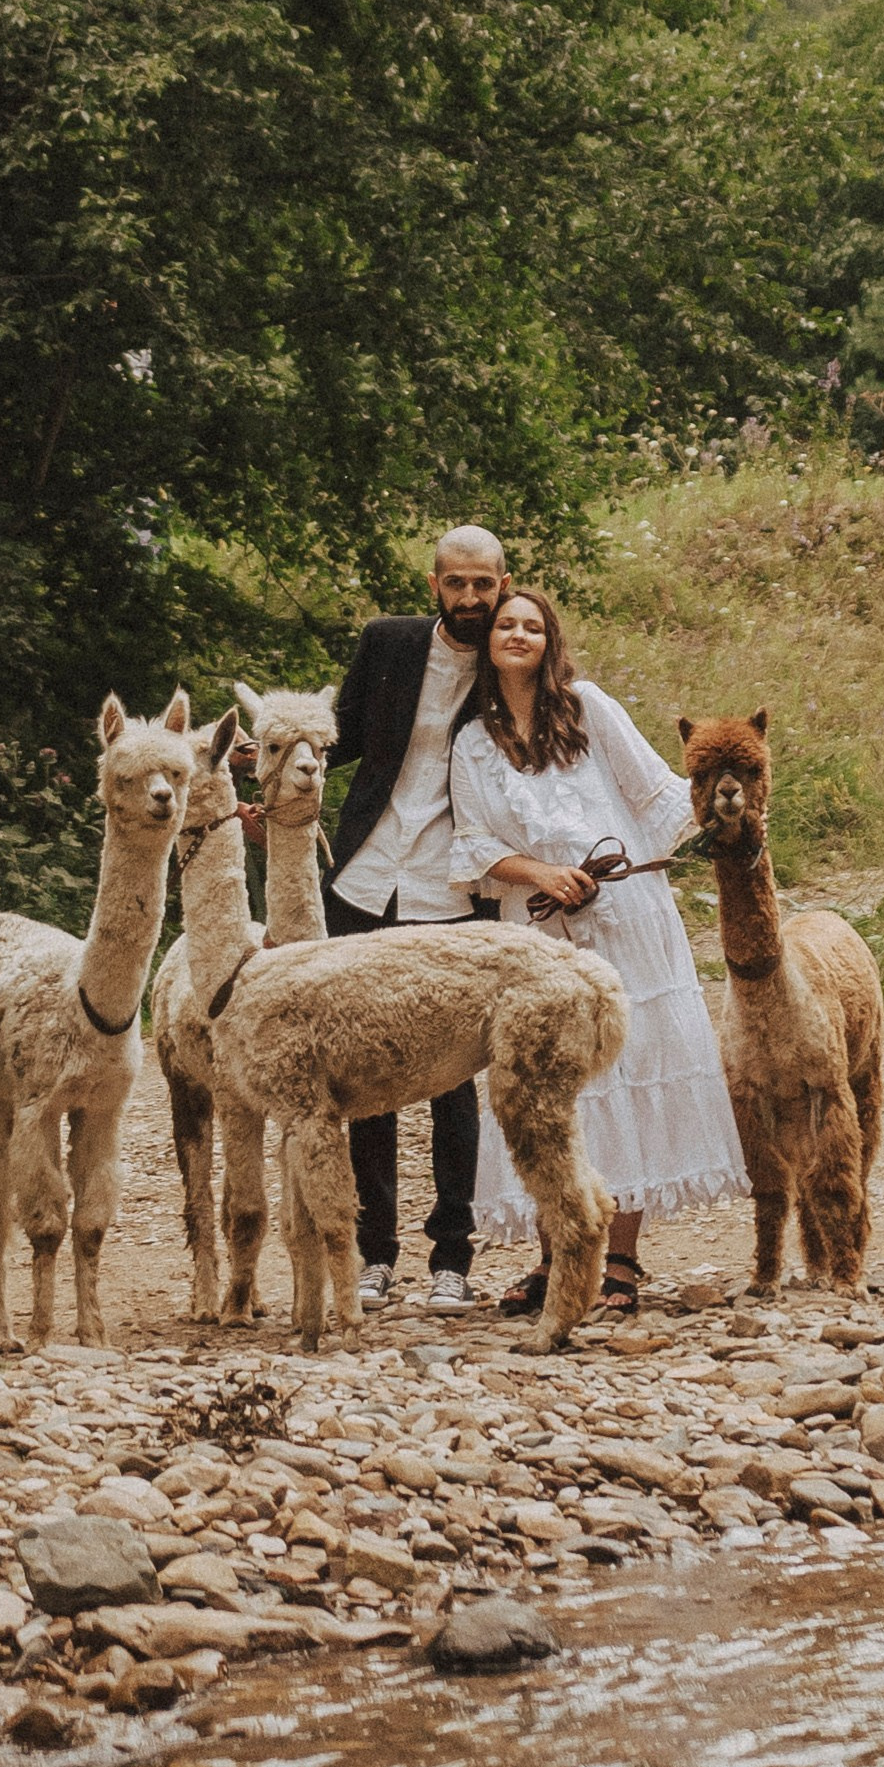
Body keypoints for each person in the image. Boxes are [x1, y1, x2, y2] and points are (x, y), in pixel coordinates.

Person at [449, 582, 748, 1319]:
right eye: (506, 626)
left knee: (629, 1069)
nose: (518, 635)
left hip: (624, 918)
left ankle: (618, 1262)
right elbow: (476, 843)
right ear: (488, 642)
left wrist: (725, 797)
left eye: (532, 626)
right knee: (547, 1087)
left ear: (548, 642)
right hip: (538, 930)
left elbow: (654, 792)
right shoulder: (471, 742)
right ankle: (554, 1258)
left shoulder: (586, 707)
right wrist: (541, 873)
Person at [321, 522, 509, 1310]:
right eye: (456, 584)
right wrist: (254, 761)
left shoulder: (514, 661)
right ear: (434, 585)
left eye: (483, 586)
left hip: (455, 887)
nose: (470, 599)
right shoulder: (388, 645)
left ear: (503, 585)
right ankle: (373, 1254)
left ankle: (452, 1261)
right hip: (365, 877)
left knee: (453, 1080)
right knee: (362, 1074)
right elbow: (336, 738)